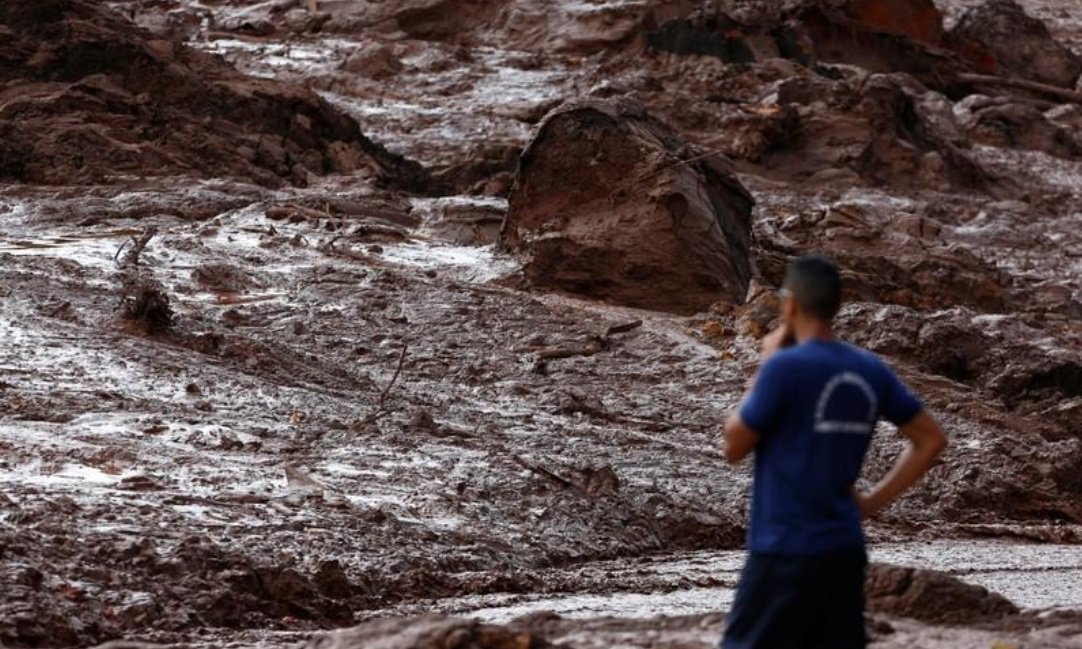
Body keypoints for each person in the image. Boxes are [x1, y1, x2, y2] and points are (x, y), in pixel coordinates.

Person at [719, 255, 948, 649]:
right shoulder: (869, 368)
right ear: (835, 306)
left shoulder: (784, 367)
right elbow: (931, 439)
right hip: (843, 549)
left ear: (789, 304)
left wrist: (766, 364)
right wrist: (872, 503)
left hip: (784, 547)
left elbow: (735, 445)